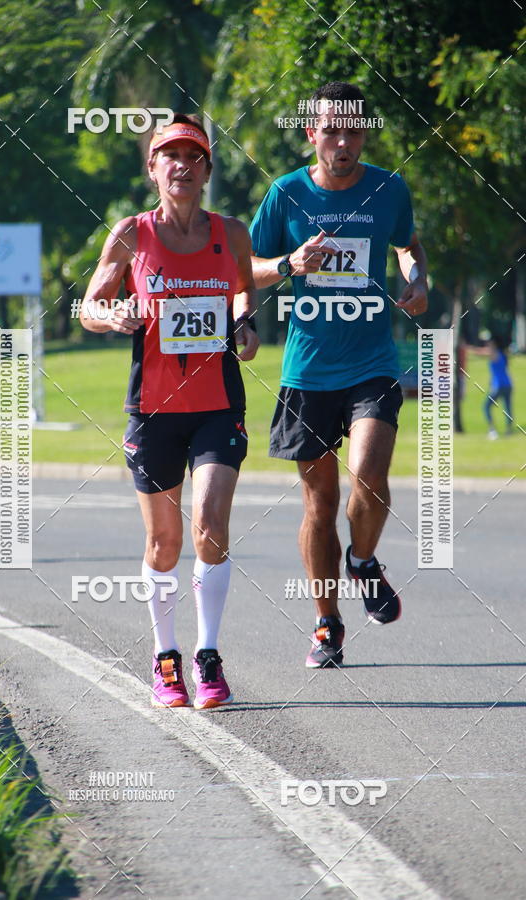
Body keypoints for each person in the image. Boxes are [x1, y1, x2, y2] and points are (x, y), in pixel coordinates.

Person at [80, 113, 259, 707]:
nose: (181, 165)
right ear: (153, 168)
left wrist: (245, 323)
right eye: (169, 155)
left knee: (209, 520)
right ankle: (165, 659)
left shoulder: (231, 233)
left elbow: (241, 293)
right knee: (164, 543)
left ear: (207, 170)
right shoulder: (132, 234)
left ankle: (207, 656)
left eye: (194, 156)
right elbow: (88, 305)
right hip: (153, 407)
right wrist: (114, 316)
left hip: (217, 404)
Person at [249, 81, 427, 668]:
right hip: (308, 370)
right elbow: (241, 268)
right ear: (311, 133)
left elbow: (407, 243)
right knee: (319, 507)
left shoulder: (388, 188)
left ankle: (364, 561)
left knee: (370, 478)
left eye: (353, 131)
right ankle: (327, 624)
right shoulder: (285, 194)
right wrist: (287, 264)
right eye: (331, 131)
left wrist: (415, 276)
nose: (342, 142)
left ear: (365, 134)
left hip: (372, 361)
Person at [470, 336, 513, 438]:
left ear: (493, 344)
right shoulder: (502, 354)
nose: (487, 345)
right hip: (508, 384)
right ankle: (509, 430)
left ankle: (492, 429)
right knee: (507, 408)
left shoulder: (494, 353)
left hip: (499, 386)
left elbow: (480, 353)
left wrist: (468, 348)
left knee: (486, 406)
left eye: (489, 343)